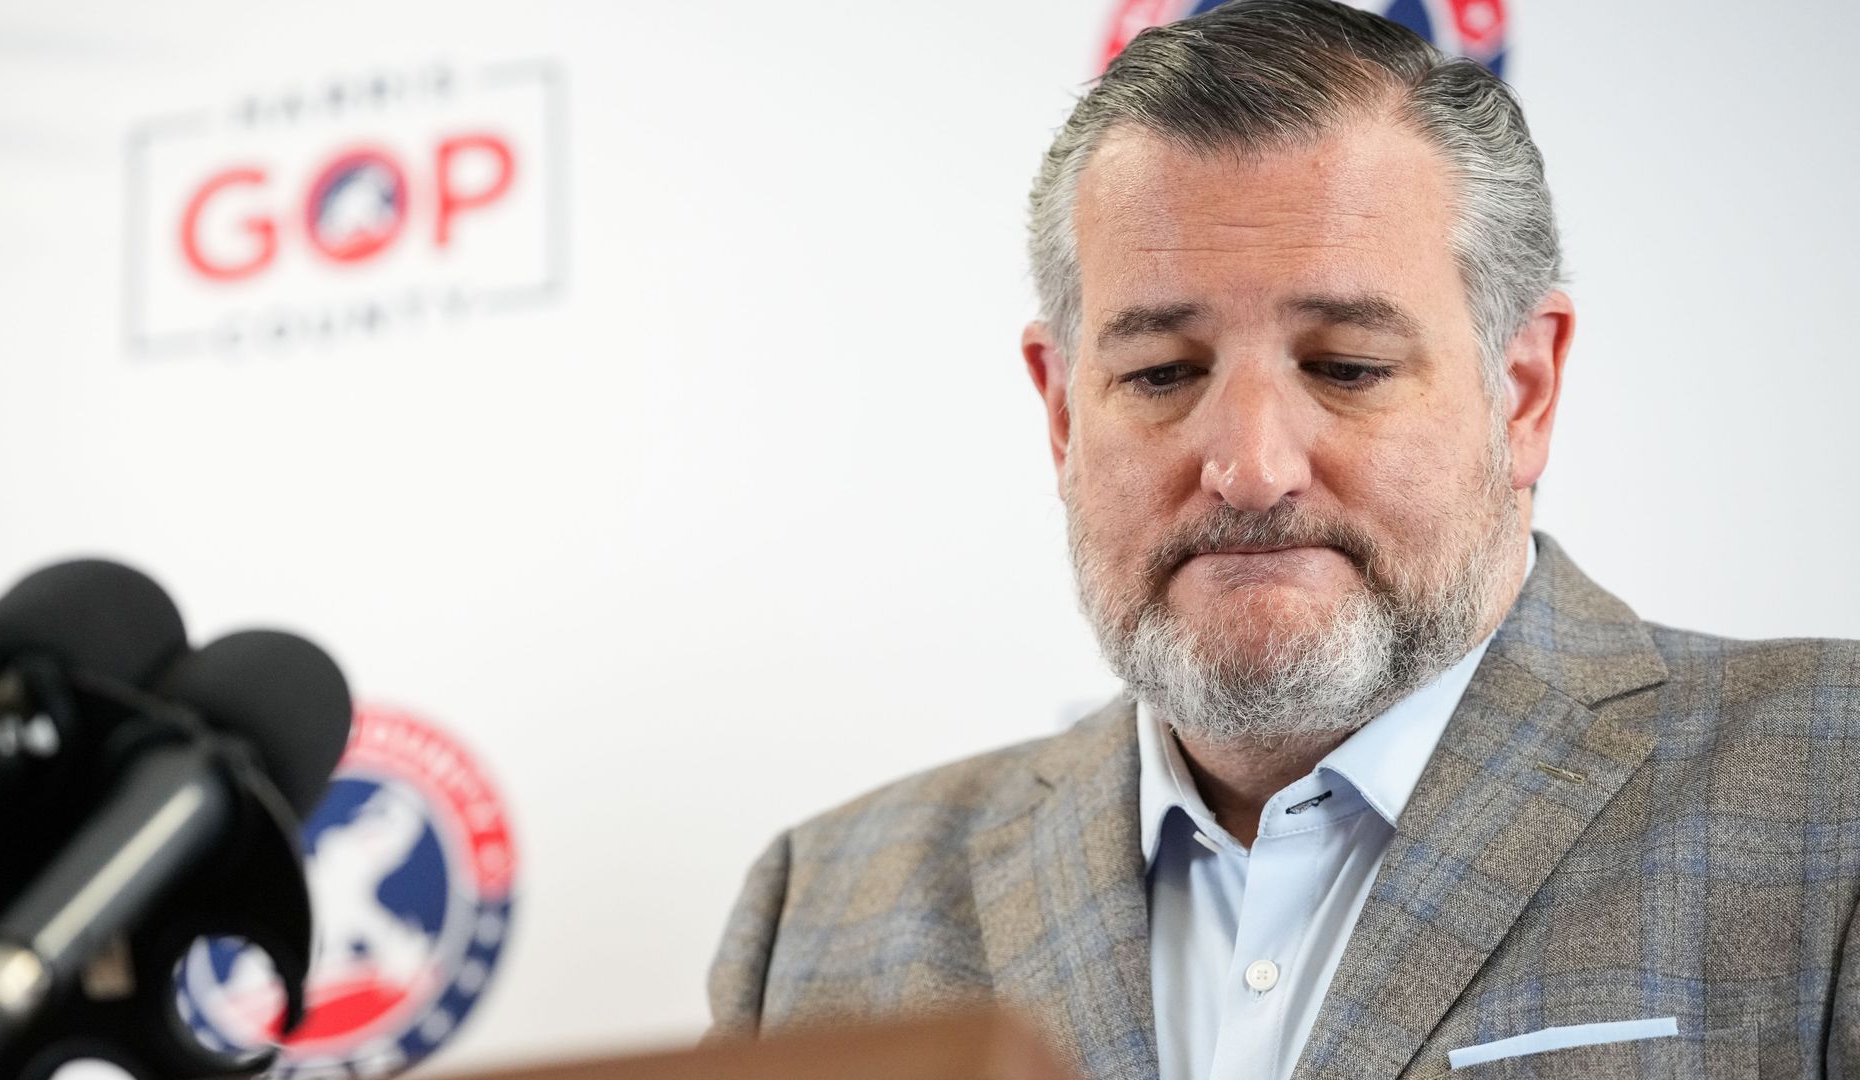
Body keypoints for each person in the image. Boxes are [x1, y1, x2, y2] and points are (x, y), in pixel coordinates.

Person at [707, 1, 1860, 1076]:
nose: (1251, 468)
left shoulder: (1831, 789)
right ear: (1060, 411)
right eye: (1160, 373)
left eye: (1346, 368)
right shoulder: (821, 914)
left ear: (1523, 391)